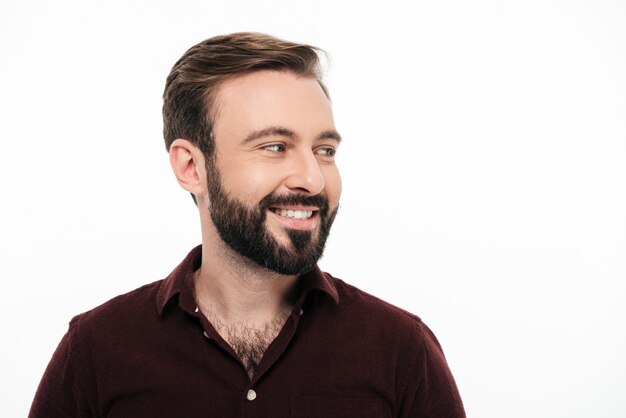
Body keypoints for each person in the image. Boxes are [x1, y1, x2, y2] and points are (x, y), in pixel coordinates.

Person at [29, 32, 465, 417]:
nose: (312, 178)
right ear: (191, 167)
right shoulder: (96, 350)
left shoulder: (400, 349)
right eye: (275, 146)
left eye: (325, 150)